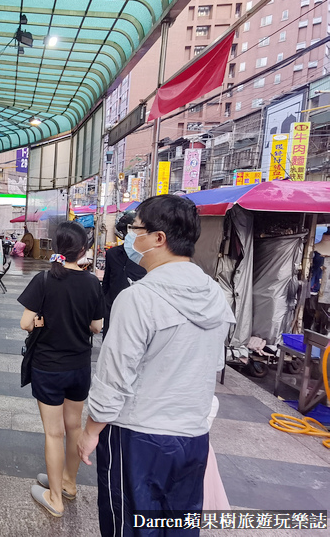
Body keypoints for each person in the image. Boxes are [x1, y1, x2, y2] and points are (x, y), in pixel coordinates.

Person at [77, 195, 235, 536]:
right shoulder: (215, 295)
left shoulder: (138, 299)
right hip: (192, 438)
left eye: (136, 230)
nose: (131, 239)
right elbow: (212, 364)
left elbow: (114, 377)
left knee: (130, 527)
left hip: (138, 438)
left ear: (159, 239)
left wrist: (90, 431)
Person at [18, 221, 105, 517]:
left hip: (48, 368)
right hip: (79, 368)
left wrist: (42, 321)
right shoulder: (93, 282)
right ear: (82, 250)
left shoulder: (44, 279)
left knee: (53, 434)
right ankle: (68, 484)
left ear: (56, 248)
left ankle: (54, 497)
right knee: (73, 428)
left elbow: (25, 324)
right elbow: (96, 327)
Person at [101, 211, 146, 336]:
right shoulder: (112, 254)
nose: (133, 232)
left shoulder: (146, 257)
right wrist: (104, 305)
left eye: (136, 228)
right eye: (130, 228)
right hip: (112, 310)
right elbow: (106, 282)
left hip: (136, 313)